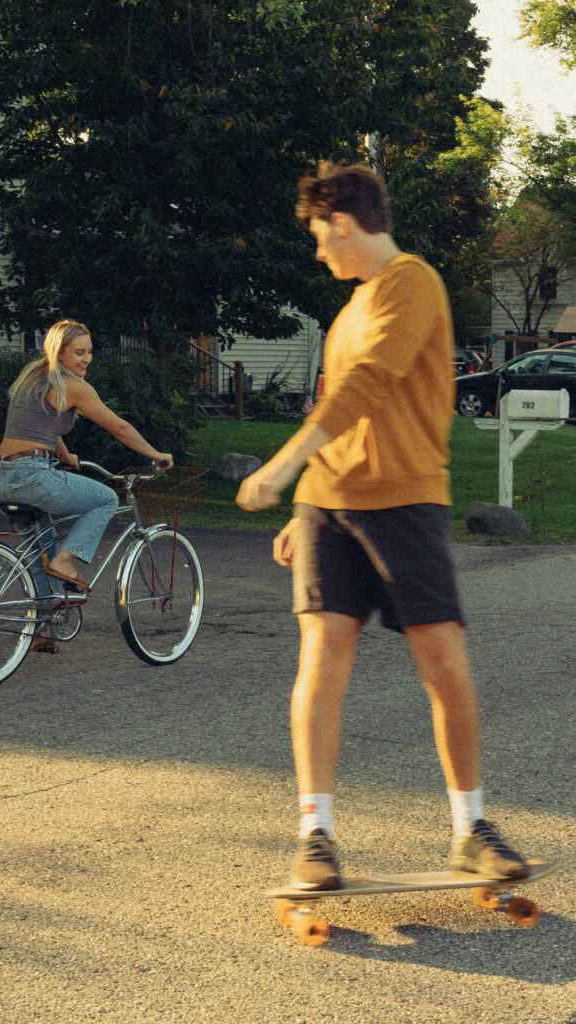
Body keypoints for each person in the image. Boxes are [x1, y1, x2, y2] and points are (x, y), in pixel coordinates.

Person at [236, 162, 528, 890]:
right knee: (322, 658)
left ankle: (470, 826)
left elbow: (369, 387)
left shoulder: (410, 283)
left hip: (404, 502)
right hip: (328, 507)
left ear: (340, 220)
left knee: (442, 663)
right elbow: (335, 411)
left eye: (316, 235)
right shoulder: (348, 311)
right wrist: (305, 495)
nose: (316, 251)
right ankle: (315, 835)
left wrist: (276, 469)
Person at [0, 319, 173, 648]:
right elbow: (118, 427)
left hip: (2, 478)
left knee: (38, 554)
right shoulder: (72, 385)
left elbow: (42, 425)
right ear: (59, 353)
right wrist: (155, 453)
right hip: (31, 475)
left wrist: (64, 453)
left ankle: (41, 631)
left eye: (89, 352)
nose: (86, 358)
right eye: (79, 352)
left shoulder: (31, 376)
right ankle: (67, 560)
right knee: (104, 499)